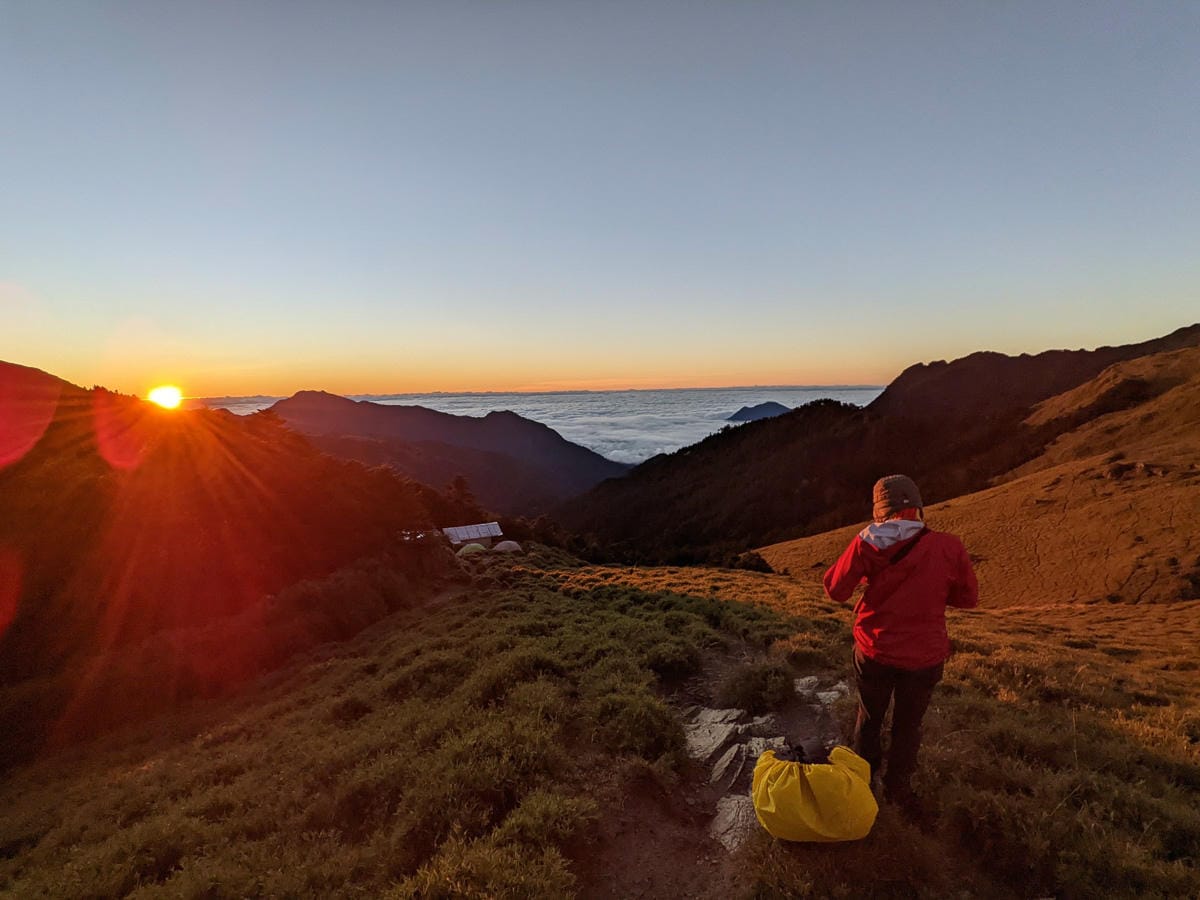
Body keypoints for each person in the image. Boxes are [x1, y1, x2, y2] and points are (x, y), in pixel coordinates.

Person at [822, 474, 978, 814]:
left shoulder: (866, 542)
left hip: (875, 648)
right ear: (919, 508)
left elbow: (834, 589)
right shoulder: (949, 546)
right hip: (925, 654)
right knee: (909, 726)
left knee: (870, 718)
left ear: (879, 510)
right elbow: (968, 598)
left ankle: (862, 788)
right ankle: (898, 792)